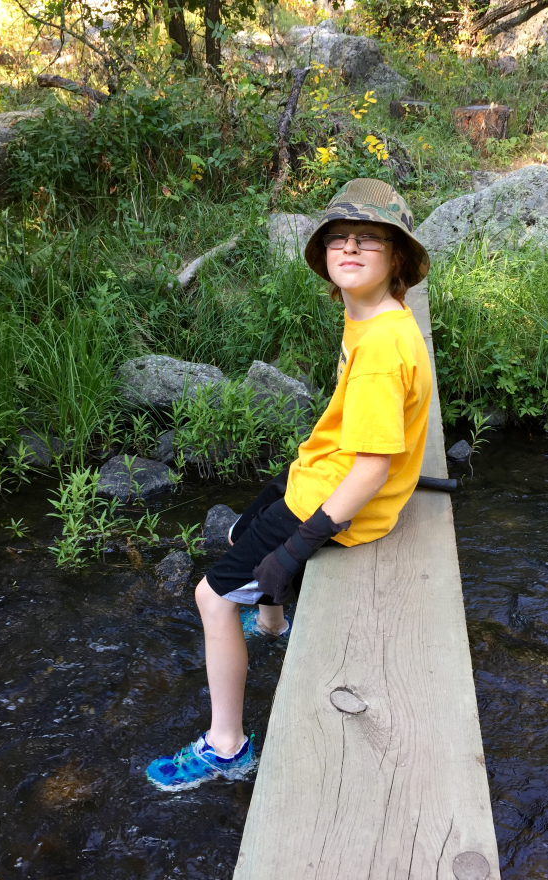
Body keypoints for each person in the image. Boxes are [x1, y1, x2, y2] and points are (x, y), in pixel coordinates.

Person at [146, 177, 432, 791]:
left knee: (211, 597)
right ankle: (273, 625)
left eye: (370, 240)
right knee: (246, 529)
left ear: (398, 258)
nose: (350, 248)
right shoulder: (378, 317)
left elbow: (372, 469)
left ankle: (226, 745)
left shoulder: (382, 345)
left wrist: (296, 550)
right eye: (340, 238)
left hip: (337, 504)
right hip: (318, 477)